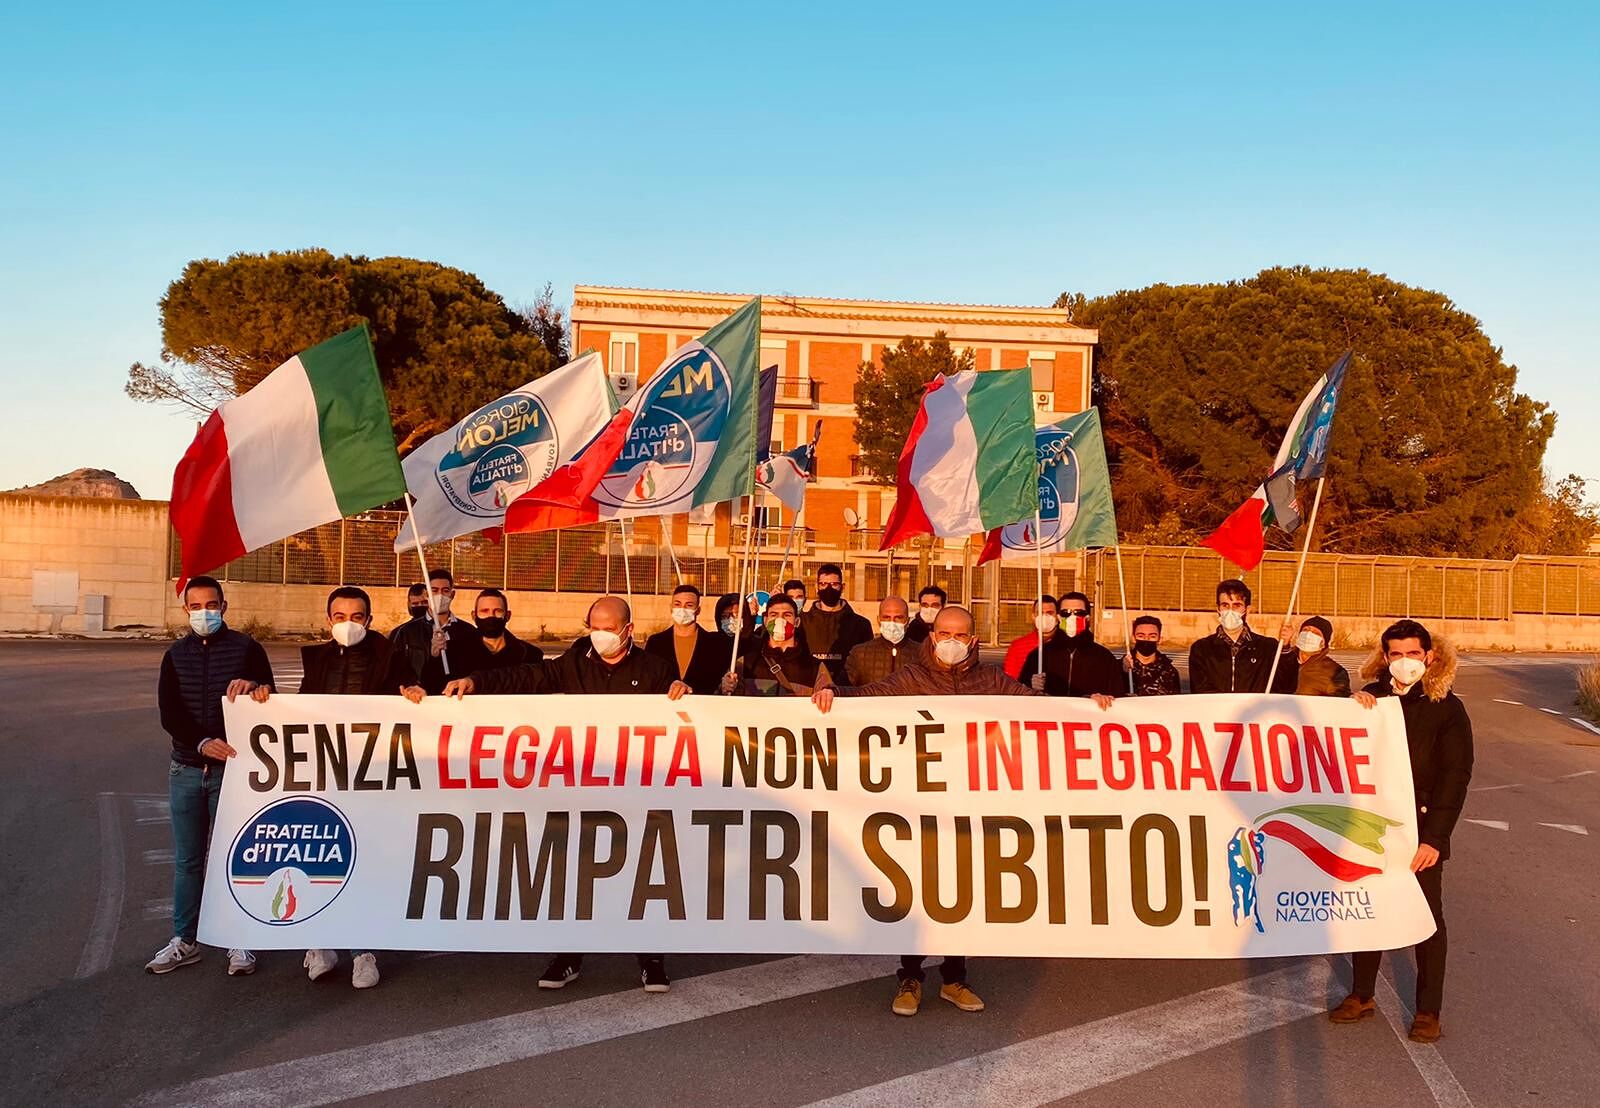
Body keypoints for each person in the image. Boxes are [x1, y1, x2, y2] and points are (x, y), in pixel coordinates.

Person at [437, 596, 689, 993]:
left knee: (642, 872)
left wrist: (682, 692)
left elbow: (685, 720)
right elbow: (526, 677)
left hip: (636, 790)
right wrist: (476, 682)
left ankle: (651, 959)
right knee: (576, 873)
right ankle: (569, 956)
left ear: (628, 630)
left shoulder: (656, 670)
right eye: (594, 627)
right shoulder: (574, 663)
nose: (600, 635)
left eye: (609, 628)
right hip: (582, 789)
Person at [814, 605, 1036, 1016]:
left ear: (973, 640)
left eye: (960, 635)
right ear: (932, 637)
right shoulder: (911, 678)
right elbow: (863, 697)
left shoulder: (991, 681)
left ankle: (954, 978)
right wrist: (832, 692)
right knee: (918, 890)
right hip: (920, 806)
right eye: (944, 633)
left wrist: (1092, 705)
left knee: (961, 890)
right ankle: (910, 977)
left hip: (969, 806)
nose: (951, 641)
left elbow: (1043, 708)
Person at [1330, 619, 1472, 1044]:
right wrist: (1349, 709)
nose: (1405, 662)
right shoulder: (1371, 698)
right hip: (1371, 826)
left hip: (1421, 830)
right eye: (1396, 654)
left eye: (1413, 654)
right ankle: (1361, 994)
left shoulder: (1447, 708)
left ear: (1429, 656)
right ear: (1385, 657)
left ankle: (1428, 1010)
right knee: (1368, 908)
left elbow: (1455, 777)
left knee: (1426, 919)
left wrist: (1435, 839)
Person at [253, 586, 396, 988]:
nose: (348, 624)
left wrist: (412, 692)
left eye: (357, 617)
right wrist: (267, 700)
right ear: (328, 619)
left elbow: (408, 696)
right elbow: (302, 707)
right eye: (340, 616)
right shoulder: (316, 658)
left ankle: (362, 952)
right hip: (323, 774)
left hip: (368, 776)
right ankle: (321, 944)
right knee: (321, 860)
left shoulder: (389, 656)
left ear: (369, 619)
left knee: (362, 863)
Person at [145, 576, 274, 978]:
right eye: (197, 606)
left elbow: (270, 694)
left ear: (224, 606)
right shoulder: (175, 655)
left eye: (212, 605)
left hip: (233, 772)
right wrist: (201, 742)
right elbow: (170, 712)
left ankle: (240, 939)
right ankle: (185, 940)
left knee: (235, 858)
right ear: (186, 609)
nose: (205, 612)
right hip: (186, 769)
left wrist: (257, 686)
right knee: (188, 861)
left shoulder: (248, 648)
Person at [1187, 579, 1297, 694]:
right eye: (1225, 605)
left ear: (1247, 609)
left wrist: (1285, 648)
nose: (1230, 611)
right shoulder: (1201, 649)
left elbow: (1286, 686)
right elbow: (1200, 690)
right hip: (1217, 706)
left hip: (1254, 706)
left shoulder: (1267, 647)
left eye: (1237, 605)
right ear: (1218, 609)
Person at [1014, 591, 1122, 705]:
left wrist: (1099, 698)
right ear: (1059, 617)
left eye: (1079, 613)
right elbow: (1019, 695)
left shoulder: (1104, 658)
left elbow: (1117, 698)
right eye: (1066, 613)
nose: (1072, 617)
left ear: (1087, 618)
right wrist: (1031, 686)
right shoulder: (1039, 655)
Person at [392, 568, 487, 696]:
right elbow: (397, 671)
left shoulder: (469, 632)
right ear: (426, 594)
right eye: (434, 591)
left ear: (452, 595)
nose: (440, 596)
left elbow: (477, 671)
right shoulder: (407, 632)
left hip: (457, 700)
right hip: (419, 700)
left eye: (445, 591)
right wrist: (414, 686)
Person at [721, 594, 833, 696]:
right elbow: (728, 702)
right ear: (765, 621)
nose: (780, 619)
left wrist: (829, 692)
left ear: (797, 622)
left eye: (787, 615)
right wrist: (726, 687)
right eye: (774, 615)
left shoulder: (814, 667)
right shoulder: (745, 663)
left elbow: (830, 694)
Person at [645, 584, 729, 695]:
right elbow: (648, 679)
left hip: (702, 704)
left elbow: (720, 682)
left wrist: (726, 685)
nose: (682, 609)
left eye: (689, 605)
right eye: (677, 604)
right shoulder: (656, 643)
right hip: (665, 704)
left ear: (698, 610)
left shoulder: (715, 644)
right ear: (671, 608)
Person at [801, 563, 873, 682]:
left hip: (847, 689)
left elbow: (867, 664)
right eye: (823, 584)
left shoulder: (861, 625)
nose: (829, 589)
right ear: (816, 587)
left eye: (834, 584)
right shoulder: (802, 622)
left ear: (842, 587)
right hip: (809, 687)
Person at [844, 596, 916, 687]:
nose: (892, 623)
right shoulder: (860, 653)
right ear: (878, 620)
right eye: (886, 617)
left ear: (908, 621)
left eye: (898, 617)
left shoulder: (921, 654)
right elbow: (845, 688)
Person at [472, 588, 544, 672]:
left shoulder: (530, 655)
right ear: (474, 616)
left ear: (508, 616)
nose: (491, 616)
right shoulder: (461, 652)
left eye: (498, 611)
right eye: (484, 611)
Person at [1289, 615, 1349, 696]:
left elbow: (1342, 698)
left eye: (1316, 633)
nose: (1308, 635)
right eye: (1305, 630)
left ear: (1323, 643)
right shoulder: (1281, 659)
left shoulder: (1335, 672)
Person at [1125, 615, 1181, 696]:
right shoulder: (1119, 669)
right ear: (1133, 638)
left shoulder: (1170, 672)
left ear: (1159, 639)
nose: (1146, 639)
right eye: (1141, 636)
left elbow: (1175, 701)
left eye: (1152, 636)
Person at [1002, 595, 1054, 679]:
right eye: (1040, 613)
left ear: (1057, 616)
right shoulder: (1017, 647)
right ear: (1033, 616)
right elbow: (1009, 680)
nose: (1044, 617)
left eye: (1050, 613)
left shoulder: (1065, 645)